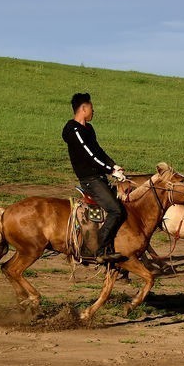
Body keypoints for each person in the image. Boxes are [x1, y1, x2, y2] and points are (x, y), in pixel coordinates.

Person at [62, 93, 127, 263]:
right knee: (115, 210)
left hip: (99, 176)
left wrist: (114, 165)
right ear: (83, 109)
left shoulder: (88, 129)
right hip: (90, 179)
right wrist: (110, 171)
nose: (93, 111)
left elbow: (98, 151)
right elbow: (89, 155)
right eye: (91, 107)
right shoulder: (74, 130)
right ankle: (100, 250)